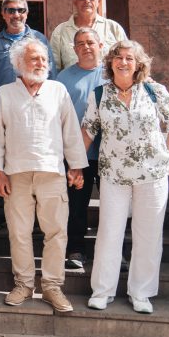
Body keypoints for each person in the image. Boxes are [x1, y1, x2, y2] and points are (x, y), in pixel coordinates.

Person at [82, 40, 169, 314]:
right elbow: (88, 130)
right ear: (111, 62)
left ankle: (141, 293)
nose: (123, 62)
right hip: (113, 175)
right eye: (118, 57)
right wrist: (76, 165)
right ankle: (103, 291)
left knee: (148, 235)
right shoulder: (100, 94)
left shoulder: (154, 91)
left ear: (139, 64)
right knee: (109, 233)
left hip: (152, 175)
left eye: (129, 58)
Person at [0, 38, 87, 313]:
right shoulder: (4, 94)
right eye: (34, 59)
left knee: (56, 232)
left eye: (44, 59)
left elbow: (71, 132)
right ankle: (24, 284)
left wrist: (76, 166)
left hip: (52, 172)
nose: (41, 64)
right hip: (15, 173)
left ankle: (53, 286)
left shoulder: (58, 91)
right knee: (19, 233)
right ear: (19, 64)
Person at [0, 0, 57, 231]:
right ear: (3, 14)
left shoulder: (39, 39)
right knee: (0, 160)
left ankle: (34, 215)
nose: (16, 15)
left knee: (31, 160)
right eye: (11, 10)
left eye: (21, 10)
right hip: (4, 108)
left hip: (36, 110)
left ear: (27, 13)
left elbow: (50, 73)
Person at [55, 28, 106, 270]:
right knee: (76, 205)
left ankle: (114, 253)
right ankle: (75, 249)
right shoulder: (64, 78)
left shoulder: (114, 73)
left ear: (100, 45)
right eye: (80, 44)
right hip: (76, 154)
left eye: (90, 42)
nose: (86, 47)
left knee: (112, 206)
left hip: (109, 154)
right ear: (74, 49)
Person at [48, 0, 127, 71]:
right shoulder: (60, 31)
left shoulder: (113, 28)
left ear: (99, 1)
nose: (87, 1)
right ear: (74, 1)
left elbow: (128, 60)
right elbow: (53, 70)